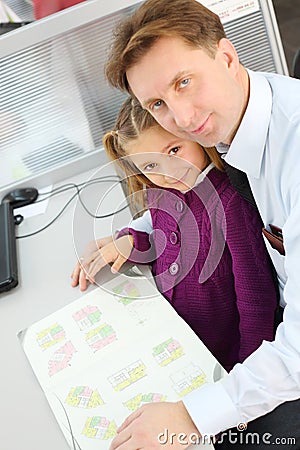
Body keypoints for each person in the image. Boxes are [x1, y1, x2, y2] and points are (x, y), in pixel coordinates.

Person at [103, 0, 300, 448]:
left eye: (184, 82)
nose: (184, 120)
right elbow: (188, 205)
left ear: (227, 57)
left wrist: (192, 418)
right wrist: (141, 233)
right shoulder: (238, 118)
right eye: (158, 103)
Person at [72, 96, 277, 376]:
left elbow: (256, 302)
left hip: (218, 359)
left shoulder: (230, 206)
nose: (168, 173)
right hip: (169, 337)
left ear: (194, 135)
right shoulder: (162, 193)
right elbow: (169, 243)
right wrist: (132, 241)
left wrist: (247, 374)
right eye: (151, 166)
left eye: (174, 150)